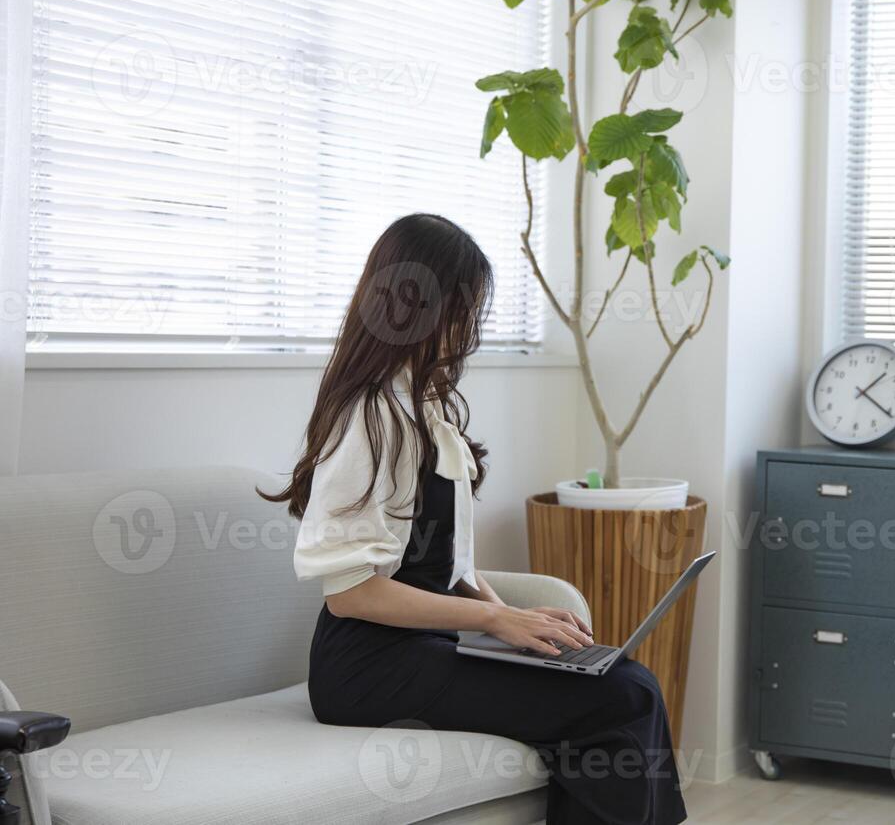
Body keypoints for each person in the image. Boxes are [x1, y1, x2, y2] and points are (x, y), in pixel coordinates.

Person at [262, 213, 686, 825]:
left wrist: (513, 617)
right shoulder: (371, 416)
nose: (469, 326)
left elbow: (445, 564)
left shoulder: (422, 403)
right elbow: (353, 594)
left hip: (419, 652)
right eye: (462, 307)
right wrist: (493, 618)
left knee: (630, 684)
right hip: (365, 671)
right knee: (617, 699)